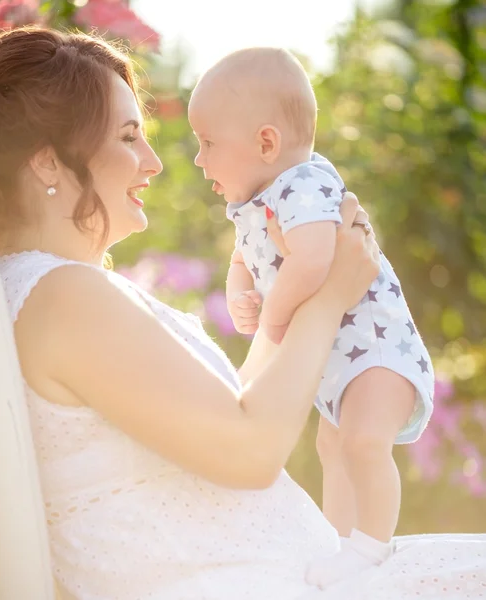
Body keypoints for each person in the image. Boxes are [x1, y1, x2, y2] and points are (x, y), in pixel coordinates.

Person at [0, 26, 485, 600]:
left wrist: (297, 275)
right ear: (48, 163)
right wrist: (328, 295)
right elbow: (250, 452)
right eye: (129, 137)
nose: (153, 162)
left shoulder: (61, 291)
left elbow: (236, 409)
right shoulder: (61, 296)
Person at [188, 47, 434, 586]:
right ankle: (337, 541)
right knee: (332, 447)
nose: (199, 160)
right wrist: (240, 291)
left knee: (362, 443)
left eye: (207, 144)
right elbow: (243, 259)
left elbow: (319, 257)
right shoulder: (254, 205)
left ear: (266, 142)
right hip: (337, 360)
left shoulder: (303, 185)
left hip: (375, 349)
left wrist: (273, 316)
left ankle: (371, 546)